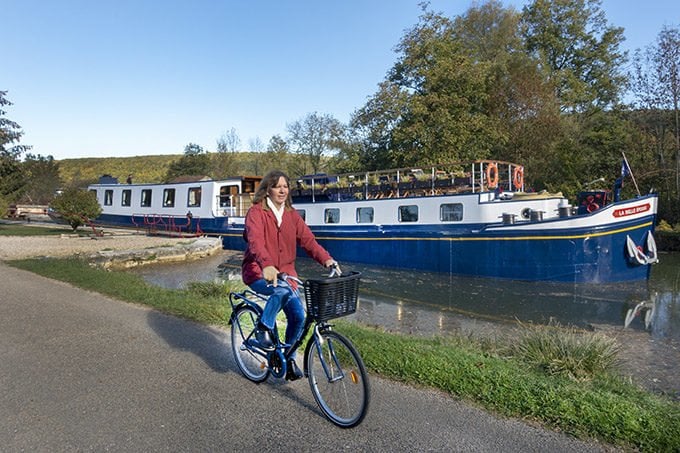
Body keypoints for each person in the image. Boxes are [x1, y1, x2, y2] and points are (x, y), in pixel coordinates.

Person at [241, 169, 338, 381]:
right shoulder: (256, 213)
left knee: (299, 316)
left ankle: (289, 357)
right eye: (277, 186)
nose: (282, 190)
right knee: (282, 290)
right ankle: (263, 327)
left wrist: (326, 259)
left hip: (286, 274)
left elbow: (309, 241)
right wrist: (266, 265)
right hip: (258, 271)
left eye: (285, 186)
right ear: (267, 189)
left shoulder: (292, 215)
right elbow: (255, 241)